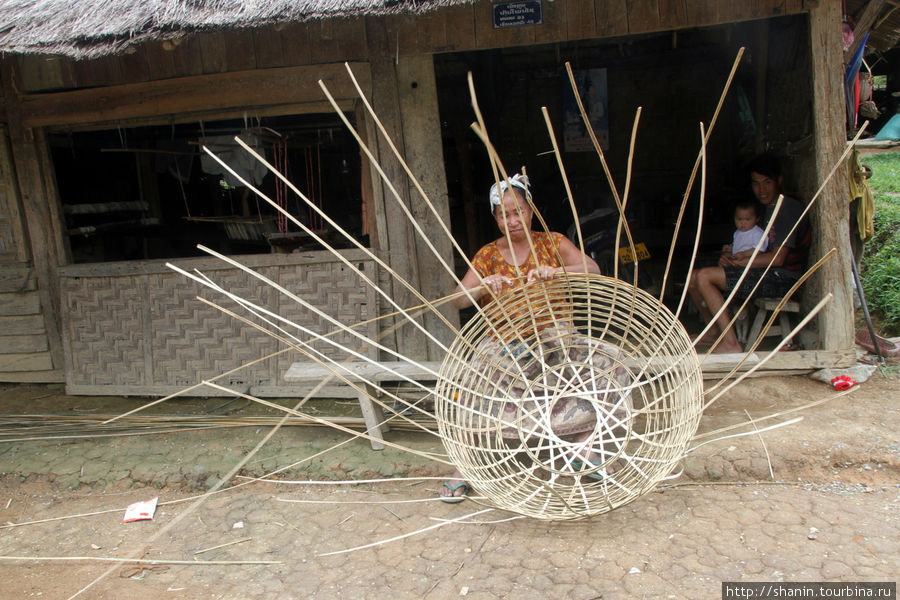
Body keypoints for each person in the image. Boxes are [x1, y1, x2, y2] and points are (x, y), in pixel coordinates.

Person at [440, 172, 602, 502]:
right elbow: (456, 299)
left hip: (554, 333)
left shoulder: (552, 243)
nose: (513, 220)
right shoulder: (487, 255)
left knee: (593, 366)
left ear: (531, 211)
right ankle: (465, 466)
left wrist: (556, 272)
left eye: (519, 211)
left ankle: (585, 449)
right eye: (504, 214)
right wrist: (483, 286)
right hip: (504, 340)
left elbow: (593, 270)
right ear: (496, 218)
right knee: (475, 384)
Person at [688, 154, 810, 354]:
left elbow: (777, 259)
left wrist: (739, 263)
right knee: (693, 278)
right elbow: (753, 247)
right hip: (763, 272)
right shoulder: (764, 209)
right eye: (756, 183)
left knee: (704, 276)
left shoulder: (786, 208)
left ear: (779, 180)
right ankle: (712, 332)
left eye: (767, 182)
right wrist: (731, 257)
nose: (761, 190)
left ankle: (731, 343)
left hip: (783, 278)